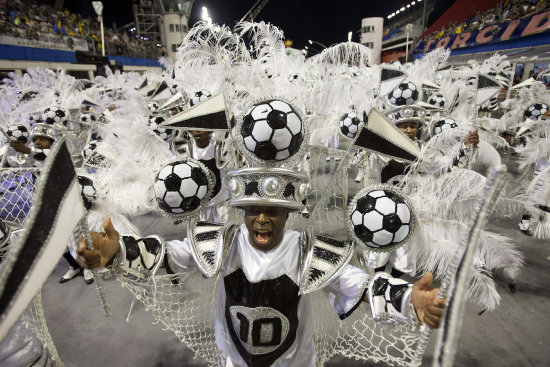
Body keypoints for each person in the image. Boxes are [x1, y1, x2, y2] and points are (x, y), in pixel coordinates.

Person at [76, 202, 445, 367]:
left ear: (288, 213)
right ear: (242, 211)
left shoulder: (308, 250)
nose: (262, 219)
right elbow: (172, 255)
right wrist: (121, 251)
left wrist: (405, 298)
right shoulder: (220, 240)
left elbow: (359, 284)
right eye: (253, 209)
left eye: (273, 210)